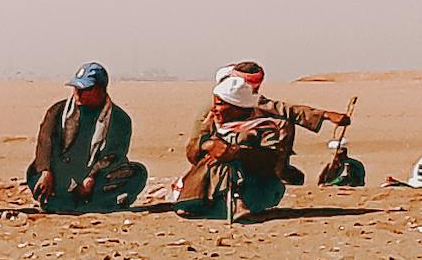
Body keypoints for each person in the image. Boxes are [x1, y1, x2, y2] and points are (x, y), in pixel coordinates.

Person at [177, 62, 349, 221]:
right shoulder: (213, 113)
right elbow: (193, 151)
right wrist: (208, 145)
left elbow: (281, 114)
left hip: (256, 179)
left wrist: (237, 153)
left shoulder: (262, 122)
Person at [26, 62, 146, 214]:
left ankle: (95, 203)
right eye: (76, 88)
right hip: (61, 174)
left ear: (100, 89)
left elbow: (114, 155)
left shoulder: (120, 119)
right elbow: (45, 143)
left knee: (137, 173)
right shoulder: (58, 111)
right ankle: (60, 201)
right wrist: (46, 171)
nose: (78, 93)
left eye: (85, 89)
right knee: (35, 173)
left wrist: (92, 176)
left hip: (96, 178)